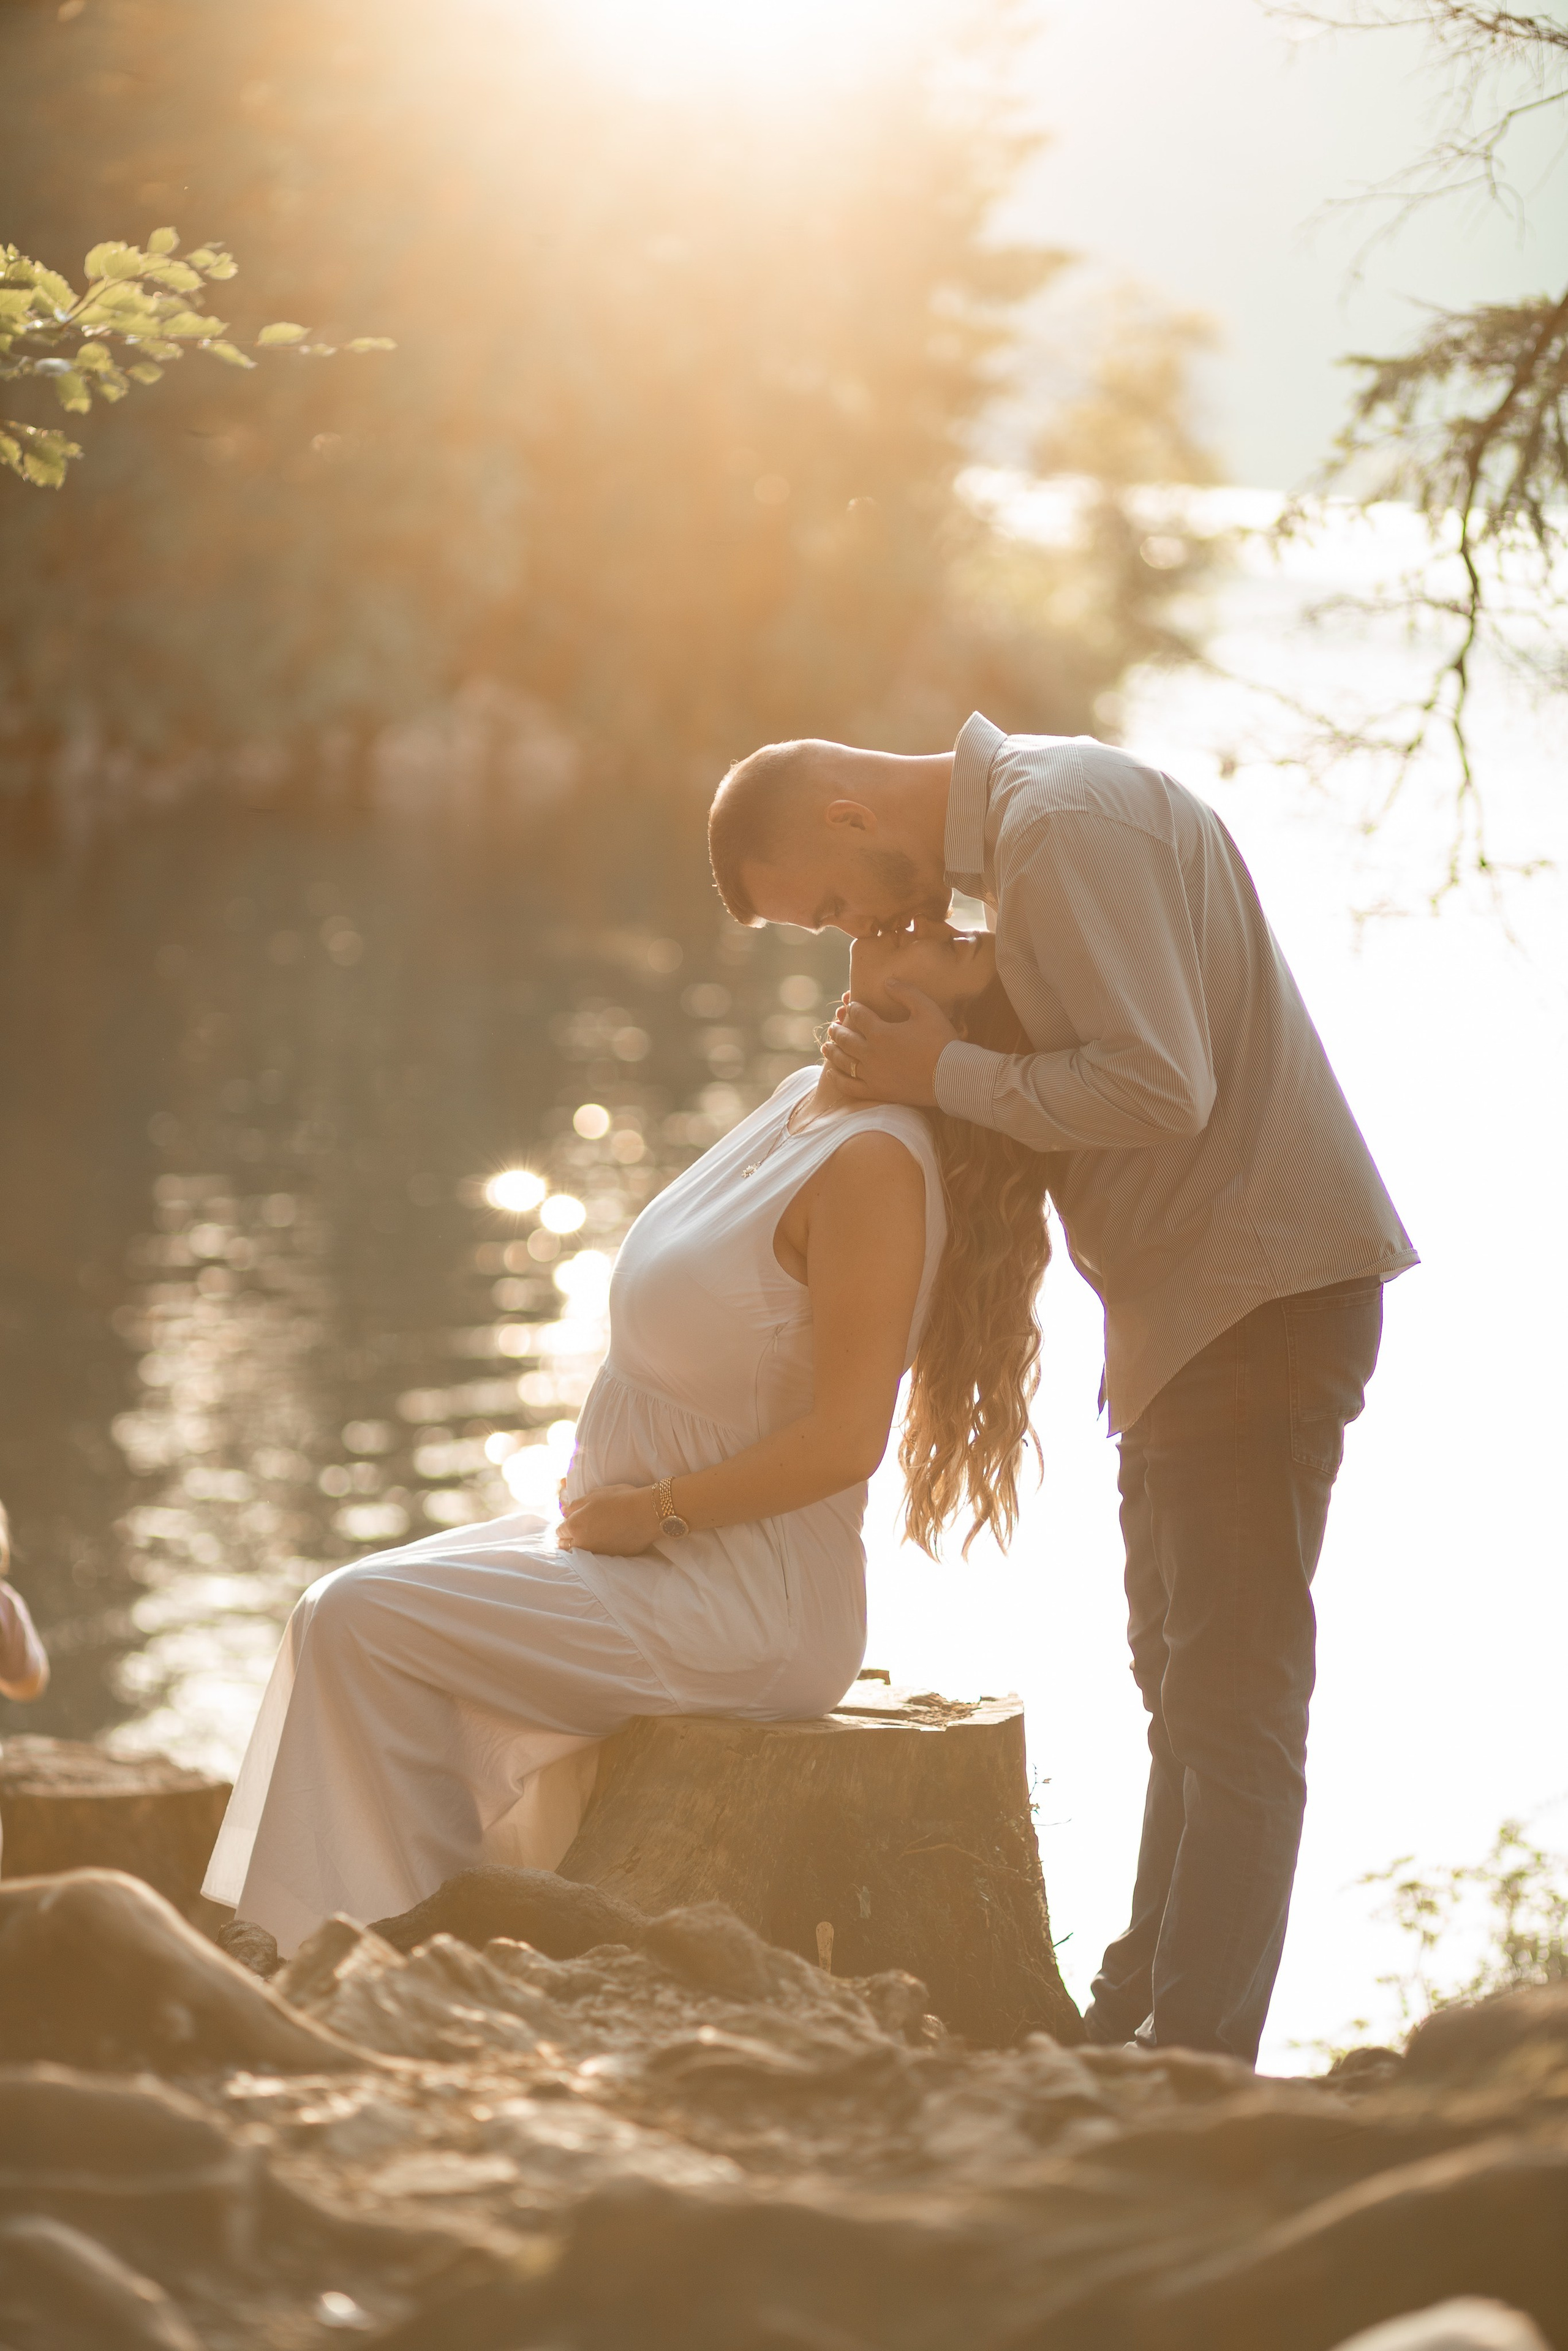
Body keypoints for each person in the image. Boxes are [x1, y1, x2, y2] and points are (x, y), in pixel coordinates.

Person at [708, 712, 1417, 2066]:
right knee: (1182, 1684)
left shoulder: (1057, 824)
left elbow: (1159, 1083)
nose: (854, 931)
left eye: (833, 906)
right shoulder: (1020, 850)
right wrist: (951, 1023)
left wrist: (942, 1069)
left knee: (1235, 1705)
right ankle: (1133, 2021)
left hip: (1258, 1296)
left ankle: (1191, 2068)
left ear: (849, 815)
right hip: (1195, 1315)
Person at [205, 926, 1050, 1958]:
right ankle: (398, 1941)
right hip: (647, 1549)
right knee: (340, 1617)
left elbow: (846, 1440)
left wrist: (649, 1506)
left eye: (962, 942)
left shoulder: (876, 1165)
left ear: (958, 1027)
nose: (912, 919)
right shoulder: (806, 1097)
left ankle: (388, 1952)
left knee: (357, 1619)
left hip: (747, 1598)